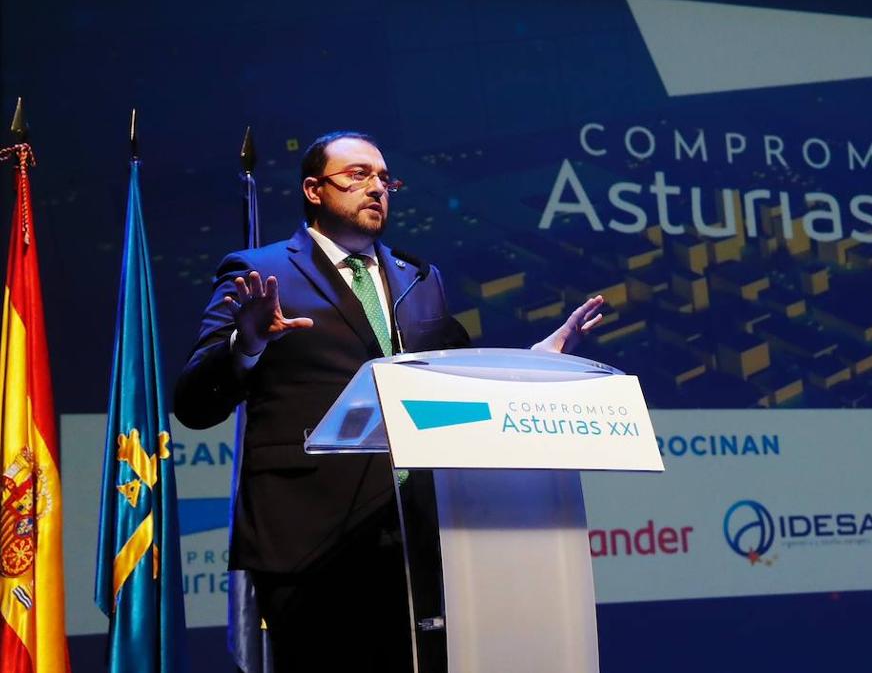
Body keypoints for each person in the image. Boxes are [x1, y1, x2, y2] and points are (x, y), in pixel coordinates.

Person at [173, 131, 603, 673]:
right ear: (313, 189)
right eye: (357, 175)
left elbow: (459, 381)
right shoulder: (260, 271)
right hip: (308, 539)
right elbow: (194, 402)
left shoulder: (419, 277)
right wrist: (249, 343)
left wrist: (535, 361)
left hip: (412, 535)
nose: (376, 188)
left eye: (384, 179)